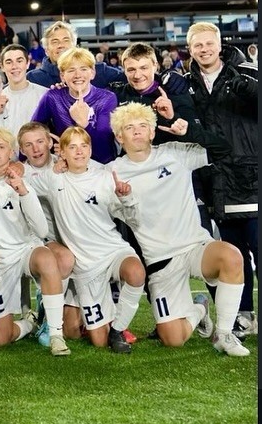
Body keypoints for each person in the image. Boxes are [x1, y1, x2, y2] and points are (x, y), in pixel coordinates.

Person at [108, 102, 248, 356]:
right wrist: (125, 199)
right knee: (173, 339)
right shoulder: (112, 174)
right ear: (119, 136)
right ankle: (200, 309)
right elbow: (132, 221)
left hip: (194, 245)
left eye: (143, 126)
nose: (138, 131)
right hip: (160, 259)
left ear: (152, 132)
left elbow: (223, 148)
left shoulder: (174, 153)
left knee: (231, 256)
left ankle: (224, 334)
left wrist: (189, 133)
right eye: (130, 127)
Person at [27, 127, 146, 353]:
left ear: (90, 149)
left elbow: (134, 221)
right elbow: (21, 183)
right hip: (85, 267)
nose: (79, 152)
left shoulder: (105, 177)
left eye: (84, 146)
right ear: (62, 153)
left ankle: (118, 329)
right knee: (96, 341)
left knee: (136, 272)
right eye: (72, 147)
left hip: (113, 251)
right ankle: (85, 317)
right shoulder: (53, 178)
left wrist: (127, 199)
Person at [184, 22, 258, 339]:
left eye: (208, 43)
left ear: (219, 44)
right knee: (234, 253)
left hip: (251, 176)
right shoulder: (187, 84)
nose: (204, 49)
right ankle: (245, 316)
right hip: (216, 180)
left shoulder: (247, 72)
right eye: (197, 45)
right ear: (190, 50)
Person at [0, 127, 70, 356]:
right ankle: (31, 323)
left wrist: (24, 192)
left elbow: (41, 229)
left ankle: (56, 334)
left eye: (1, 147)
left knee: (47, 259)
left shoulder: (21, 181)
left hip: (25, 249)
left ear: (12, 152)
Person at [31, 47, 118, 164]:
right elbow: (32, 131)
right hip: (67, 166)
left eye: (83, 69)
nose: (78, 75)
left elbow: (104, 145)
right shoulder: (53, 96)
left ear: (92, 73)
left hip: (102, 166)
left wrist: (84, 123)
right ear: (62, 76)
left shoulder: (107, 98)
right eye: (71, 70)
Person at [27, 21, 125, 89]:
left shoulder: (99, 71)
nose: (61, 45)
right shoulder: (32, 79)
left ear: (75, 46)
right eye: (55, 42)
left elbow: (132, 81)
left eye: (66, 40)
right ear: (46, 50)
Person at [0, 44, 48, 137]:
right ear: (2, 66)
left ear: (27, 63)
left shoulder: (44, 95)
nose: (14, 66)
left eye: (19, 61)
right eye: (9, 62)